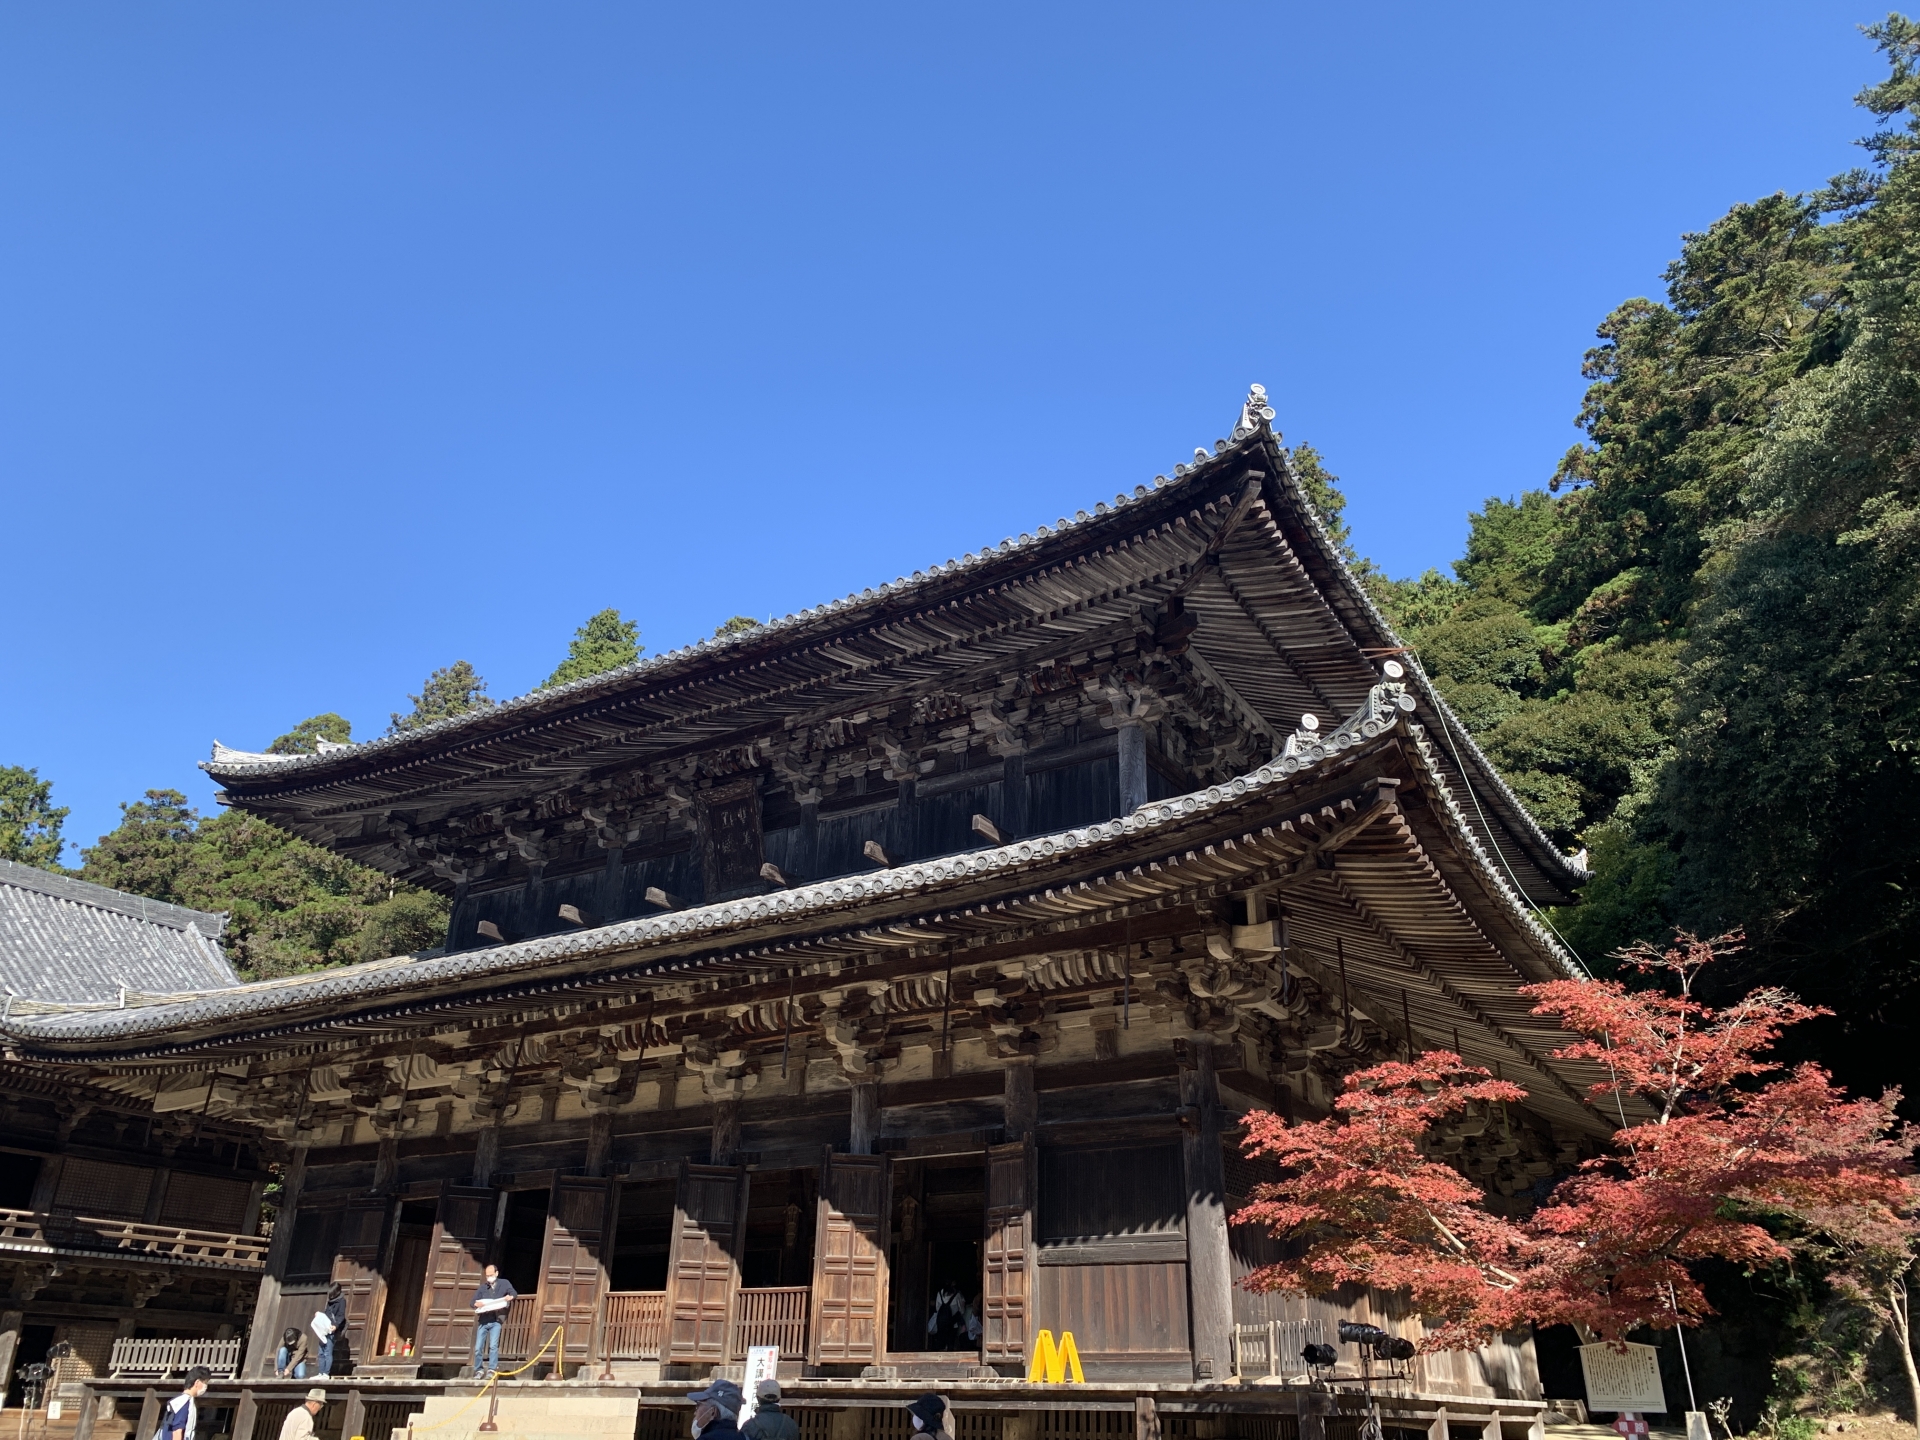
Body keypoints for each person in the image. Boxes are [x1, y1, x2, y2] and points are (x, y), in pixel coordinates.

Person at [470, 1263, 517, 1379]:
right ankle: (479, 1370)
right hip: (484, 1320)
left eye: (491, 1275)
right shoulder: (483, 1287)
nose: (489, 1277)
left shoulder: (504, 1283)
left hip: (496, 1320)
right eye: (487, 1275)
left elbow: (514, 1293)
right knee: (478, 1348)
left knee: (493, 1346)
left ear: (496, 1273)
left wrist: (509, 1297)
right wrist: (477, 1304)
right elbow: (472, 1302)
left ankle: (491, 1369)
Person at [157, 1367, 211, 1440]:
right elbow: (177, 1431)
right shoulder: (183, 1402)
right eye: (205, 1382)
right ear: (197, 1382)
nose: (205, 1387)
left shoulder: (182, 1401)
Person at [314, 1284, 347, 1377]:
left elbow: (341, 1315)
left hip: (331, 1328)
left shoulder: (341, 1301)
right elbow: (326, 1313)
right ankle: (320, 1373)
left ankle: (326, 1373)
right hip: (324, 1327)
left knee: (328, 1352)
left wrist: (335, 1326)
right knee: (321, 1352)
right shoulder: (330, 1301)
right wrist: (319, 1315)